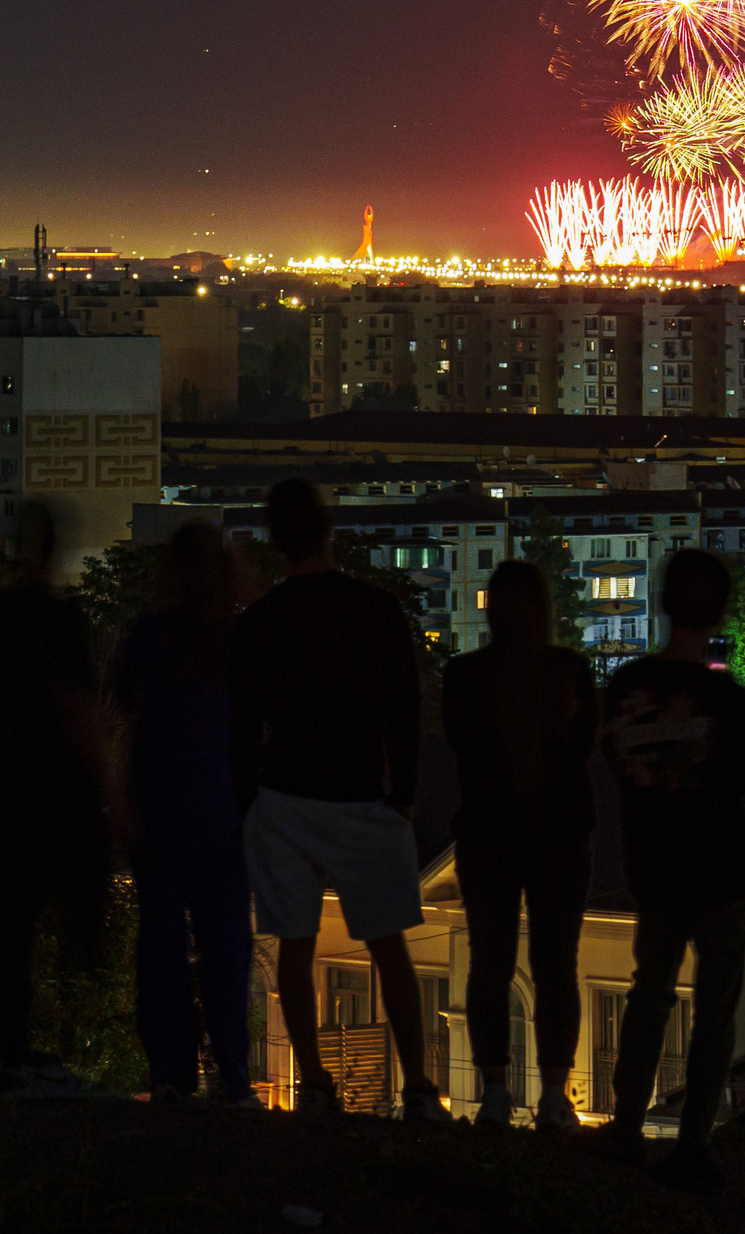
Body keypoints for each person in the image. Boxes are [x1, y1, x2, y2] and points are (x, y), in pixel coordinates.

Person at [229, 479, 448, 1123]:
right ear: (329, 531)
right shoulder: (374, 610)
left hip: (285, 799)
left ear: (275, 541)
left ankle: (316, 1085)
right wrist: (402, 794)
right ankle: (416, 1089)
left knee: (294, 947)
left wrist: (251, 803)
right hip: (362, 799)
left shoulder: (261, 624)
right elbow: (404, 710)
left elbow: (241, 726)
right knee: (390, 948)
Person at [597, 548, 745, 1193]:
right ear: (720, 610)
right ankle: (694, 1143)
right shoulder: (726, 698)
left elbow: (617, 765)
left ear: (664, 603)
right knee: (715, 1011)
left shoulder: (626, 688)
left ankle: (624, 1127)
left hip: (657, 869)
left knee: (649, 997)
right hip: (722, 872)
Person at [0, 500, 121, 1096]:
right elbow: (79, 713)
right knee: (79, 923)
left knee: (15, 929)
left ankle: (10, 1050)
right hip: (65, 792)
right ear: (52, 552)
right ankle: (73, 1038)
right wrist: (112, 793)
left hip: (13, 791)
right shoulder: (61, 624)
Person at [443, 560, 596, 1131]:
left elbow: (463, 752)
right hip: (559, 837)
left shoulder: (464, 677)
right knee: (556, 963)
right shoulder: (570, 672)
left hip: (488, 838)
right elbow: (582, 752)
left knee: (490, 964)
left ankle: (495, 1094)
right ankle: (555, 1095)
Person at [110, 522, 254, 1107]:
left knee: (163, 941)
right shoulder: (236, 638)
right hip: (222, 808)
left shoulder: (149, 635)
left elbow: (122, 707)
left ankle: (170, 1071)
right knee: (225, 945)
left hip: (161, 807)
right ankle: (232, 1073)